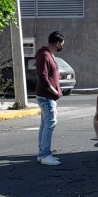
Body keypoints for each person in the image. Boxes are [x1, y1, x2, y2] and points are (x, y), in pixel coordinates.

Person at [35, 31, 65, 166]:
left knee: (45, 124)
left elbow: (51, 75)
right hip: (46, 97)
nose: (62, 47)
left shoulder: (49, 55)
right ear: (57, 43)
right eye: (62, 44)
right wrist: (55, 92)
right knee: (50, 124)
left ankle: (42, 154)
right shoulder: (44, 56)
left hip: (48, 96)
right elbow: (43, 78)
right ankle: (45, 154)